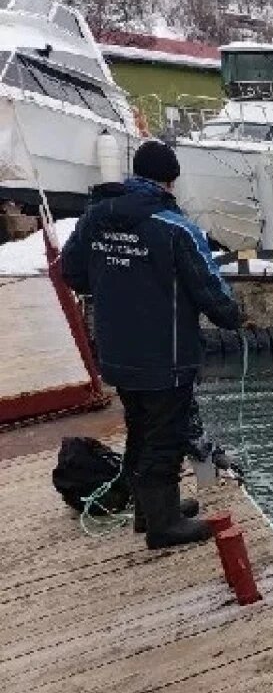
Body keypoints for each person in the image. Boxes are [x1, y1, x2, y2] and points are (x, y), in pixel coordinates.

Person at [63, 140, 243, 550]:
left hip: (117, 352)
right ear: (170, 181)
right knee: (165, 436)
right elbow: (210, 290)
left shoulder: (96, 218)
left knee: (141, 429)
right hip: (166, 355)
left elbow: (73, 273)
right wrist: (235, 317)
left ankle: (151, 511)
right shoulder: (175, 228)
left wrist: (117, 283)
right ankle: (164, 525)